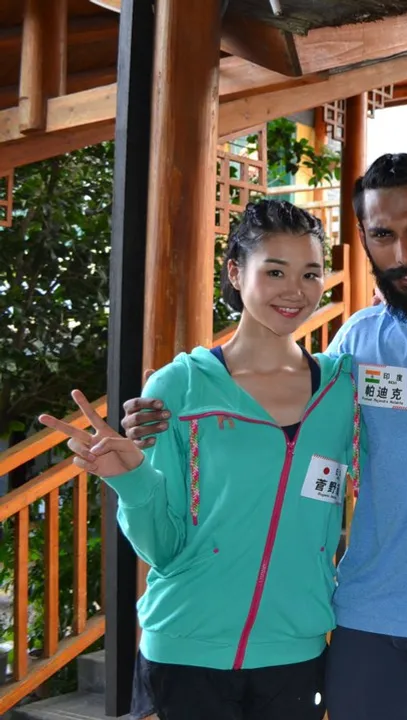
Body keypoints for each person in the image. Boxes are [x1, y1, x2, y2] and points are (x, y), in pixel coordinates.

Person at [120, 153, 407, 720]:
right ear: (363, 240)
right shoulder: (353, 347)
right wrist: (153, 427)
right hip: (356, 612)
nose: (403, 254)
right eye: (383, 235)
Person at [40, 199, 360, 719]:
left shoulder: (341, 390)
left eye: (310, 273)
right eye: (274, 271)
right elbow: (163, 548)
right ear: (235, 273)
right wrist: (131, 480)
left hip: (295, 651)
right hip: (185, 650)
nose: (295, 290)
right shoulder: (179, 389)